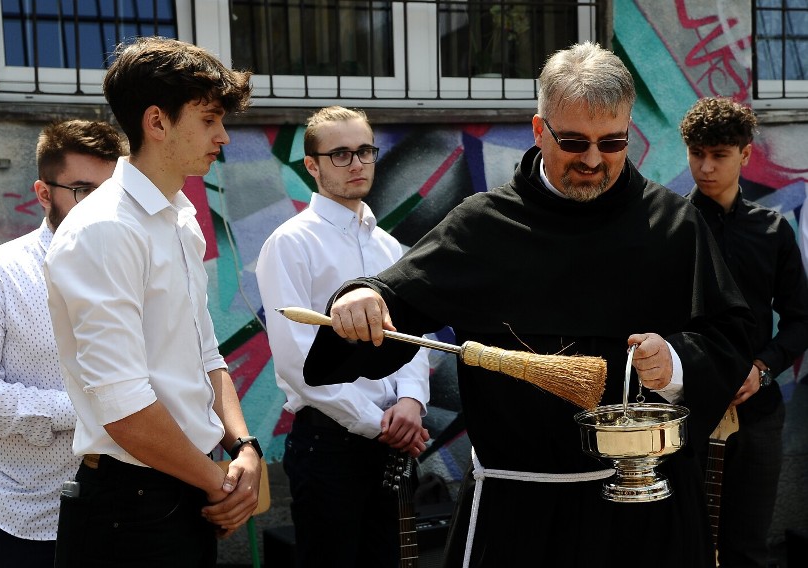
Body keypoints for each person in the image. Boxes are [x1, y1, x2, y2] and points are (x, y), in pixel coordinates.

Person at [302, 42, 755, 568]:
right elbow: (396, 299)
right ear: (539, 131)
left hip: (645, 509)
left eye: (612, 142)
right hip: (519, 514)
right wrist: (362, 297)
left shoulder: (672, 225)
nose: (592, 159)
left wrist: (675, 362)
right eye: (573, 141)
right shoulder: (483, 225)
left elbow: (731, 334)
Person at [43, 37, 261, 567]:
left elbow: (207, 356)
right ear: (157, 122)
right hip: (131, 507)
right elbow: (123, 409)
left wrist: (245, 448)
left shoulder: (178, 217)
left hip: (183, 487)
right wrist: (220, 484)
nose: (223, 136)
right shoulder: (104, 230)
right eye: (209, 120)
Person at [255, 106, 431, 568]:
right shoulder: (291, 243)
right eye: (340, 154)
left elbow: (410, 338)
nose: (356, 163)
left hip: (392, 442)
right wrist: (382, 426)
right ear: (312, 165)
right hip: (331, 446)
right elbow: (297, 360)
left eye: (364, 151)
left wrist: (411, 403)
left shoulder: (388, 246)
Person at [0, 119, 126, 567]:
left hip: (136, 513)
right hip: (27, 518)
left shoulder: (141, 270)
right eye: (84, 190)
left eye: (115, 193)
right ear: (44, 193)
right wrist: (85, 411)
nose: (104, 208)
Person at [680, 96, 808, 567]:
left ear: (745, 155)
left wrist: (763, 369)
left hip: (757, 414)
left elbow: (800, 319)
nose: (706, 167)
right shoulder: (670, 227)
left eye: (719, 155)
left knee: (748, 549)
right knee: (684, 544)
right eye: (697, 154)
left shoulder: (773, 230)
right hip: (685, 413)